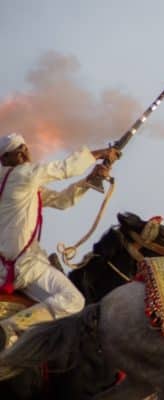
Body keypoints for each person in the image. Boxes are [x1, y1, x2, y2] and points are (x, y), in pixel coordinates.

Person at [0, 133, 119, 349]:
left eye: (25, 148)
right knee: (73, 301)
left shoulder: (19, 184)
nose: (26, 153)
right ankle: (11, 327)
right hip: (24, 267)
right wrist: (101, 153)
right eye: (21, 150)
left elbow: (62, 201)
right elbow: (66, 168)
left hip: (10, 268)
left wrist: (89, 180)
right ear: (9, 157)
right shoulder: (22, 175)